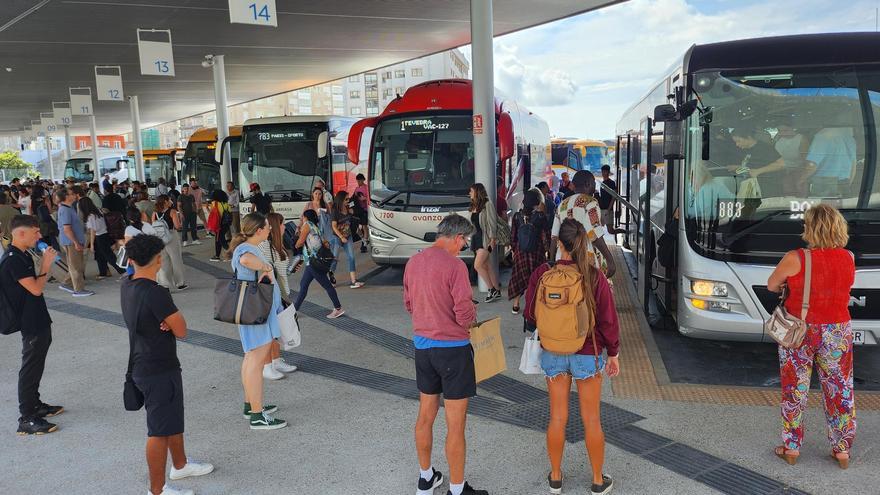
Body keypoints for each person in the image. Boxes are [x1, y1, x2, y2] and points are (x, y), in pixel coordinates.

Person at [525, 218, 619, 495]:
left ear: (559, 243)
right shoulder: (593, 275)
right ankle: (598, 481)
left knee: (557, 418)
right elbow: (608, 320)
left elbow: (531, 315)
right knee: (592, 420)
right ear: (581, 242)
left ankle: (555, 477)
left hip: (553, 352)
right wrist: (613, 353)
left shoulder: (542, 273)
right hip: (587, 353)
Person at [121, 234, 214, 495]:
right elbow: (181, 329)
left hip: (143, 361)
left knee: (171, 418)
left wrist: (165, 322)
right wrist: (168, 323)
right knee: (159, 431)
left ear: (131, 260)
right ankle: (157, 490)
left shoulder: (127, 284)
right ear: (159, 260)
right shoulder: (155, 293)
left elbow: (166, 323)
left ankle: (181, 465)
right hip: (158, 367)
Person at [403, 214, 488, 495]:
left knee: (425, 415)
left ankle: (426, 478)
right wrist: (472, 317)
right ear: (457, 237)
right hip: (453, 351)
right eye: (464, 242)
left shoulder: (414, 262)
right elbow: (464, 313)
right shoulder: (455, 267)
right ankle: (456, 488)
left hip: (423, 348)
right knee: (456, 423)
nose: (463, 248)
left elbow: (409, 303)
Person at [767, 204, 856, 469]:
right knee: (839, 390)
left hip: (800, 331)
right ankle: (842, 450)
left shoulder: (796, 258)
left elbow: (772, 285)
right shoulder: (848, 257)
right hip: (838, 330)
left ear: (810, 228)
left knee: (795, 389)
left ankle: (792, 448)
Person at [1, 215, 63, 435]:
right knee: (30, 366)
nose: (39, 236)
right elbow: (36, 288)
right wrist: (46, 264)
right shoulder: (12, 259)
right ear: (20, 233)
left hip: (37, 316)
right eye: (35, 232)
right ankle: (26, 417)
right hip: (29, 321)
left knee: (36, 363)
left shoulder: (22, 254)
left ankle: (35, 404)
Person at [227, 212, 288, 430]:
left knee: (250, 359)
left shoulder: (246, 246)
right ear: (259, 230)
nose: (270, 229)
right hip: (256, 312)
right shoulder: (247, 249)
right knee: (255, 361)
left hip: (254, 312)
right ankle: (257, 415)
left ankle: (250, 405)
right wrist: (266, 267)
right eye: (267, 227)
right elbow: (245, 260)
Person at [550, 171, 617, 279]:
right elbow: (595, 234)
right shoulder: (590, 203)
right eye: (594, 182)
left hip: (562, 261)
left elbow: (554, 237)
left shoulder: (562, 204)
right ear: (587, 184)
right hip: (585, 262)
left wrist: (552, 261)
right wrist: (610, 260)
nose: (595, 185)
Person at [258, 212, 298, 380]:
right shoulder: (264, 246)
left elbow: (278, 271)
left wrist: (290, 269)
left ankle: (276, 360)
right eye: (281, 224)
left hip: (278, 292)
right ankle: (267, 365)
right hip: (268, 294)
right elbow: (265, 270)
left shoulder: (277, 245)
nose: (284, 227)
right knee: (269, 331)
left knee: (276, 329)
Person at [292, 209, 344, 318]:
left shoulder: (306, 225)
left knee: (327, 285)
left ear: (306, 217)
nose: (301, 218)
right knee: (303, 285)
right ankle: (294, 310)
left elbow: (300, 243)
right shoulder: (316, 227)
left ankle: (338, 308)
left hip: (313, 262)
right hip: (313, 261)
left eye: (302, 216)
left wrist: (296, 243)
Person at [508, 189, 547, 315]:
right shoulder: (541, 217)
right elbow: (545, 235)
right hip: (536, 252)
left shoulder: (517, 216)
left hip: (521, 252)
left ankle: (516, 304)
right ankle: (535, 304)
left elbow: (513, 236)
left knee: (519, 277)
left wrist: (515, 250)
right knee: (536, 278)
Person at [56, 188, 93, 297]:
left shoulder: (69, 208)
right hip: (71, 242)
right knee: (76, 266)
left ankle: (67, 283)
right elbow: (67, 229)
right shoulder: (65, 210)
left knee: (76, 265)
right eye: (71, 194)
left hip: (72, 241)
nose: (75, 195)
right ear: (66, 197)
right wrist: (76, 242)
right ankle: (79, 289)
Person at [800, 127, 857, 198]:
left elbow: (812, 165)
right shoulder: (849, 138)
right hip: (844, 183)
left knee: (822, 208)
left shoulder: (822, 137)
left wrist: (799, 180)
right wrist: (846, 185)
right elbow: (853, 166)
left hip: (824, 184)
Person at [468, 183, 502, 303]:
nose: (469, 194)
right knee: (487, 266)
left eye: (471, 191)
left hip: (486, 239)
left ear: (477, 192)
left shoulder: (488, 204)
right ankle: (496, 290)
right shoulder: (474, 206)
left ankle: (491, 289)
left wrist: (492, 239)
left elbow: (492, 222)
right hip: (476, 239)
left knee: (478, 265)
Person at [79, 196, 124, 279]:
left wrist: (91, 244)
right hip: (105, 234)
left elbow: (93, 231)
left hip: (100, 237)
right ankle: (103, 272)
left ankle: (122, 271)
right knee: (101, 256)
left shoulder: (90, 216)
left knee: (109, 256)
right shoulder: (98, 211)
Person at [330, 191, 365, 289]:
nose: (348, 201)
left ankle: (354, 281)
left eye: (348, 199)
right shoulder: (335, 211)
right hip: (337, 237)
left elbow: (354, 216)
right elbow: (333, 226)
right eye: (346, 199)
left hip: (348, 236)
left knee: (351, 257)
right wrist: (341, 237)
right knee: (335, 258)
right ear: (340, 200)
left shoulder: (348, 208)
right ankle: (331, 276)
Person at [152, 195, 188, 292]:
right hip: (171, 237)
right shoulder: (172, 212)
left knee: (163, 262)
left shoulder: (155, 213)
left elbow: (153, 225)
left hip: (159, 239)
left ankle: (164, 284)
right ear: (165, 201)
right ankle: (180, 283)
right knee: (176, 260)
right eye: (169, 200)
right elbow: (177, 226)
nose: (171, 201)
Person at [208, 189, 231, 262]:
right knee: (218, 239)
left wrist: (207, 207)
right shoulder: (226, 204)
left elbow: (212, 214)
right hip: (226, 225)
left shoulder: (215, 203)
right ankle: (217, 255)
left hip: (219, 224)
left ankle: (231, 254)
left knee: (221, 240)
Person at [352, 173, 370, 253]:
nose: (358, 182)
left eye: (359, 180)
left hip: (365, 210)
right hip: (357, 210)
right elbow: (353, 198)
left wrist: (365, 199)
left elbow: (370, 198)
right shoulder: (356, 189)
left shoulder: (367, 188)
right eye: (357, 180)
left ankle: (364, 244)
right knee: (356, 227)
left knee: (364, 226)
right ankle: (364, 239)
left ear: (363, 180)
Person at [597, 165, 617, 230]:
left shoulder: (612, 183)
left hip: (608, 209)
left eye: (605, 172)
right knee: (598, 228)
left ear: (608, 172)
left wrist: (609, 208)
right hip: (602, 208)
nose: (603, 173)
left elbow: (614, 197)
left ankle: (626, 232)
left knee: (610, 230)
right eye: (602, 171)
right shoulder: (602, 183)